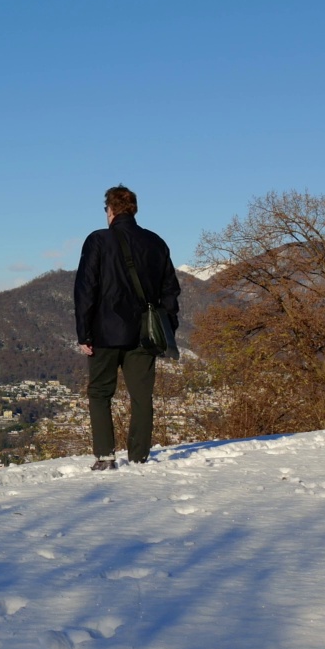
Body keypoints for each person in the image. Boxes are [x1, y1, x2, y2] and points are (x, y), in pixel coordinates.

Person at [73, 185, 180, 470]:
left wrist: (83, 332)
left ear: (109, 210)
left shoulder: (98, 240)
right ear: (134, 210)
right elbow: (171, 291)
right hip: (145, 335)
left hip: (104, 333)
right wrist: (167, 326)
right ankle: (139, 457)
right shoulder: (156, 243)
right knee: (142, 397)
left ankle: (106, 456)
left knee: (100, 393)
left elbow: (86, 289)